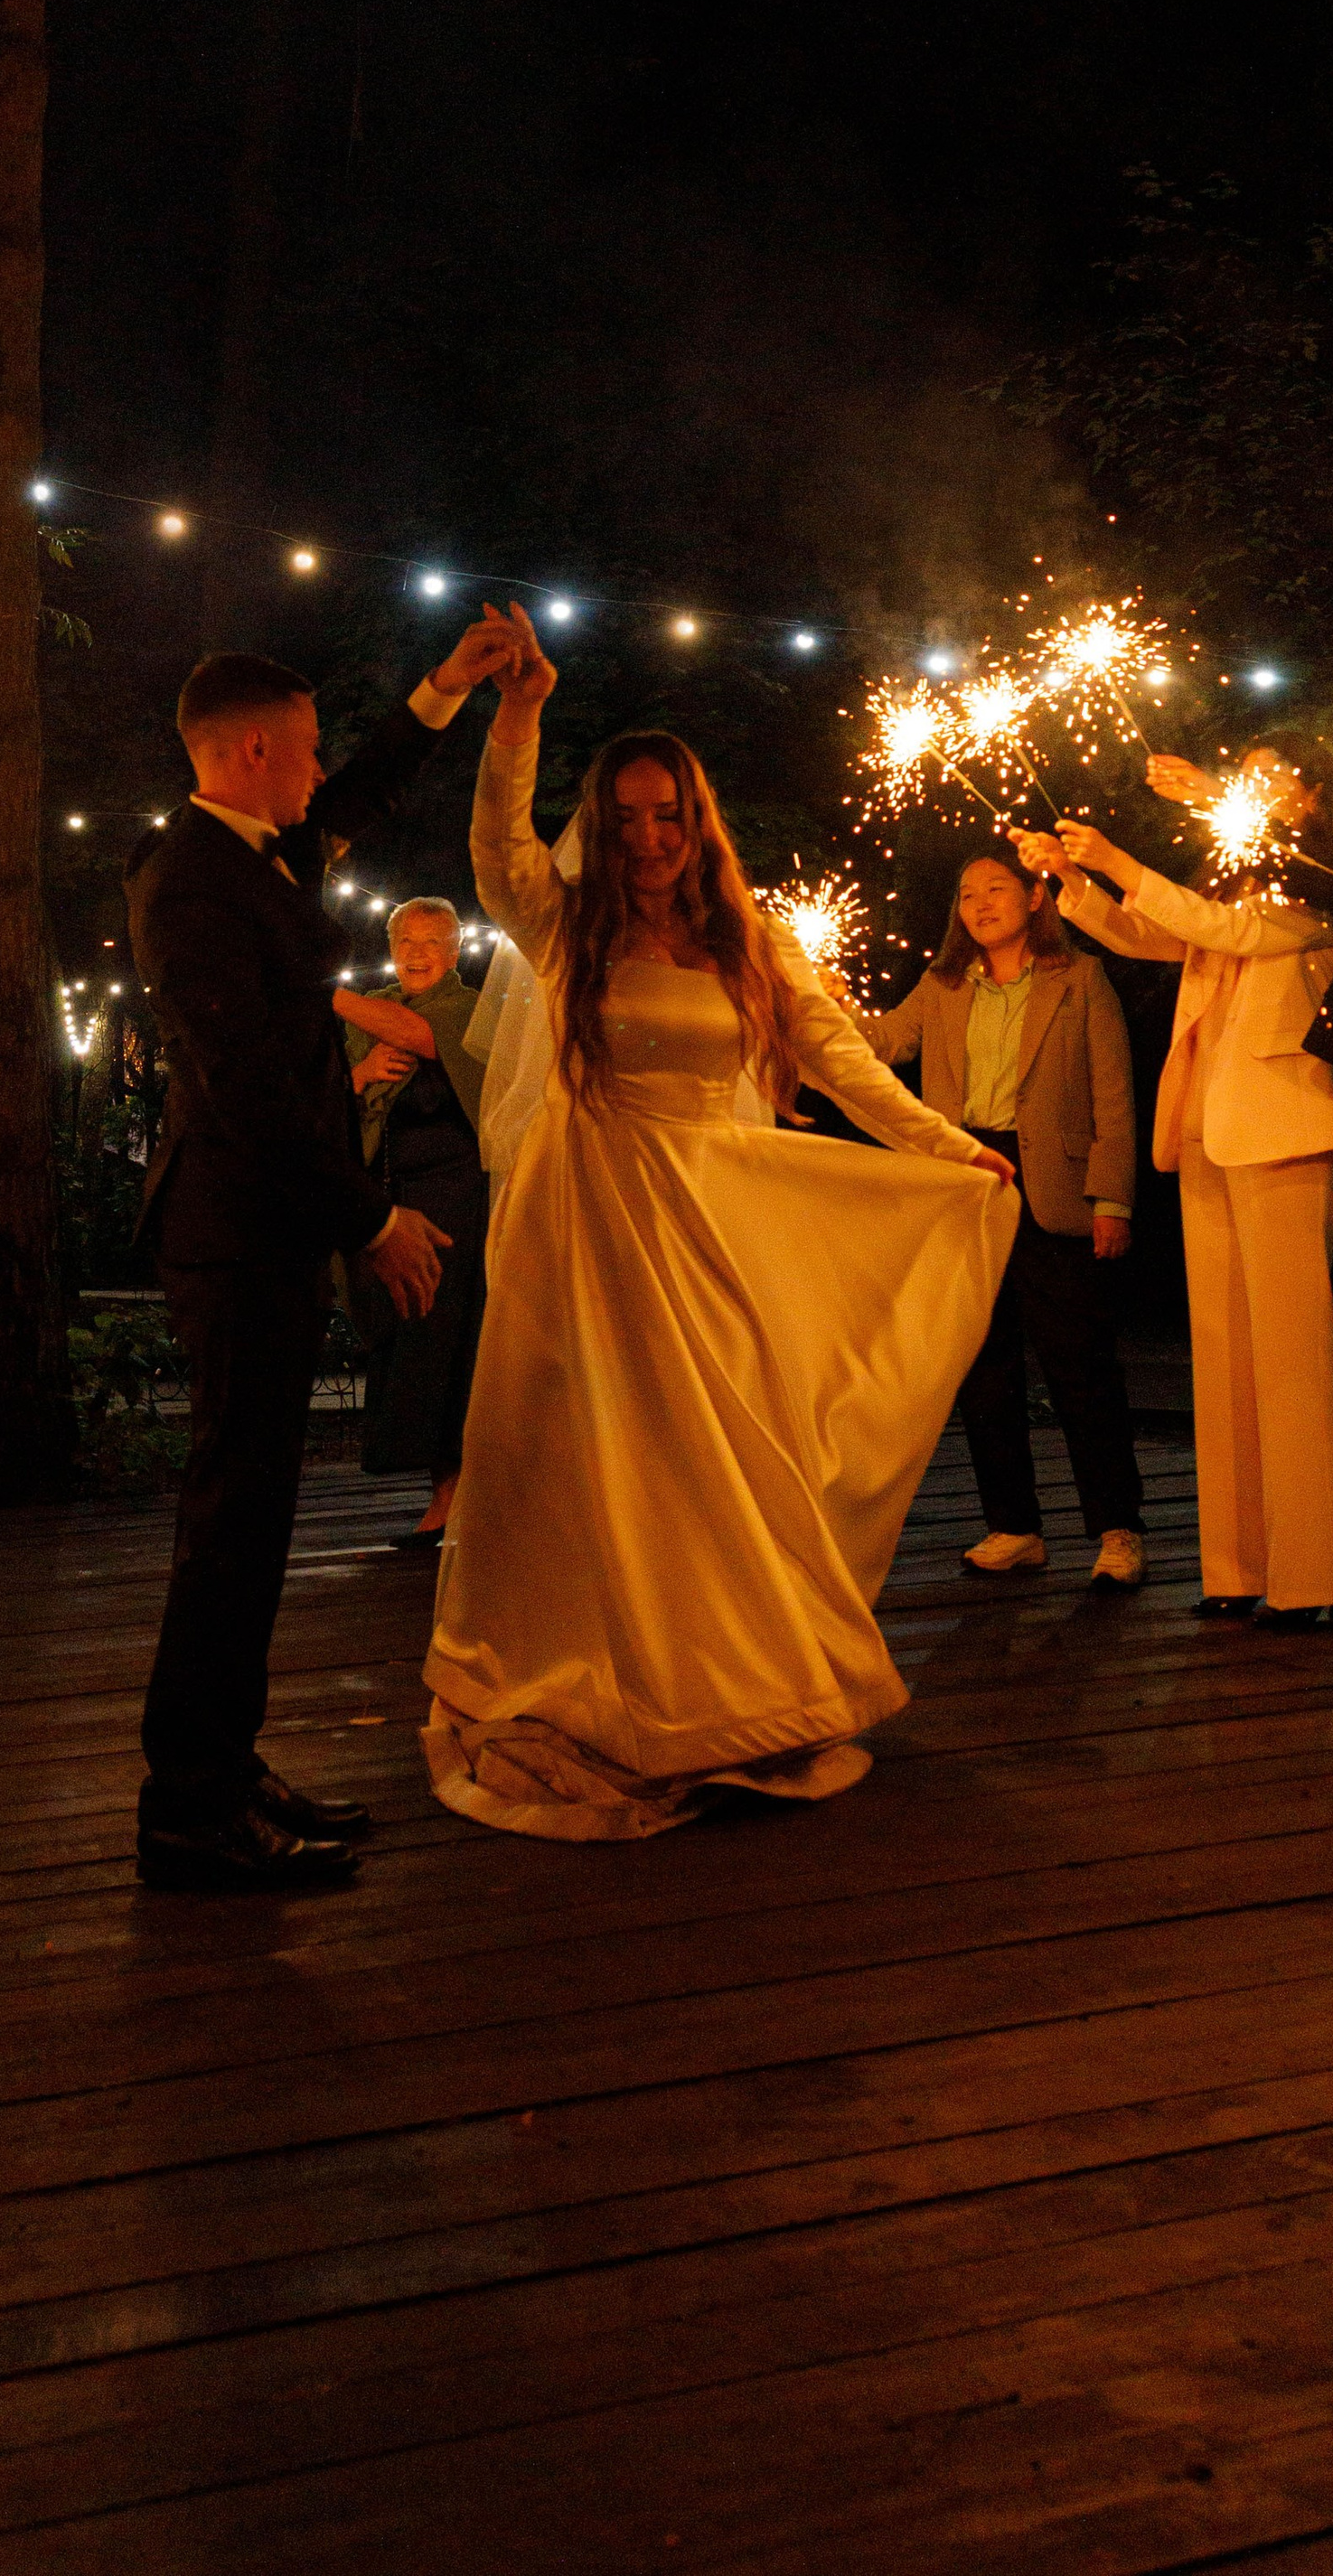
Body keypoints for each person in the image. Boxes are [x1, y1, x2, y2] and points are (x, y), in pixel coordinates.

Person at [423, 604, 1018, 1843]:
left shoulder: (749, 940)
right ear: (602, 826)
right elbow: (495, 846)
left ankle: (716, 1676)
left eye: (667, 816)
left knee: (717, 1453)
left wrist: (945, 1146)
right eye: (626, 818)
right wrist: (519, 715)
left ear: (697, 824)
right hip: (587, 1213)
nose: (647, 839)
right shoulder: (565, 925)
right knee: (590, 1456)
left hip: (705, 1214)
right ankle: (589, 1667)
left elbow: (841, 1059)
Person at [126, 620, 517, 1894]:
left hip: (267, 1231)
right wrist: (371, 1219)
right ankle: (189, 1807)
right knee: (230, 1524)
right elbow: (243, 1089)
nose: (316, 770)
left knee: (255, 1519)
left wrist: (445, 689)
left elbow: (362, 791)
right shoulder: (189, 881)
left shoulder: (258, 854)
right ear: (251, 751)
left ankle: (227, 1770)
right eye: (301, 749)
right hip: (234, 1236)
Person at [1017, 734, 1333, 1630]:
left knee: (1290, 1360)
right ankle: (1235, 1567)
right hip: (1205, 1132)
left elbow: (1222, 930)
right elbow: (1155, 932)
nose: (1250, 790)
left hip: (1284, 1133)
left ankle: (1307, 1579)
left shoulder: (1319, 889)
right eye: (1245, 776)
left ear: (1313, 800)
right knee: (1221, 1356)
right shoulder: (1231, 886)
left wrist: (1115, 856)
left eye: (1271, 779)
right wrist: (1071, 878)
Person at [854, 841, 1143, 1588]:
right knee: (983, 1366)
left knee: (1081, 1366)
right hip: (969, 1179)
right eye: (967, 894)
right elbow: (886, 1042)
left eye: (995, 890)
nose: (979, 905)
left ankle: (1118, 1530)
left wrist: (1112, 1199)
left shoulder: (1079, 978)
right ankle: (1014, 1526)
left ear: (1035, 897)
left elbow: (1114, 1095)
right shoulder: (944, 984)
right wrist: (824, 1006)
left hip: (1054, 1187)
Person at [334, 899, 488, 1548]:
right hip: (392, 1201)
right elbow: (328, 1097)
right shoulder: (370, 1013)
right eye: (406, 942)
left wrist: (320, 991)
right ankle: (444, 1493)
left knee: (447, 1341)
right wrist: (362, 1073)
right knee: (403, 1338)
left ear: (454, 953)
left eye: (432, 943)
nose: (417, 954)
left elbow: (424, 1037)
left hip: (457, 1200)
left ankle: (453, 1500)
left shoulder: (471, 1009)